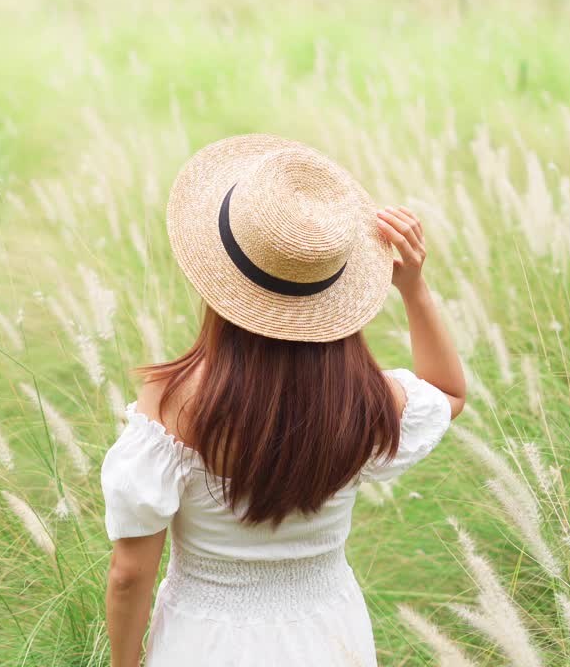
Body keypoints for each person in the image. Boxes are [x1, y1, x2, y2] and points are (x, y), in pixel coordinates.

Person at [101, 134, 467, 666]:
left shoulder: (174, 401)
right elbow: (449, 392)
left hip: (205, 642)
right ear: (336, 292)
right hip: (330, 637)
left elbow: (130, 573)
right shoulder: (362, 400)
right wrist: (414, 288)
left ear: (220, 282)